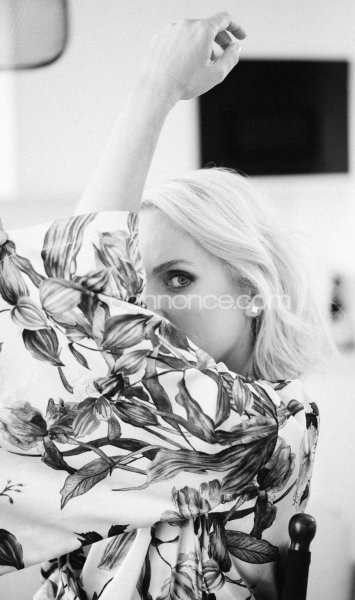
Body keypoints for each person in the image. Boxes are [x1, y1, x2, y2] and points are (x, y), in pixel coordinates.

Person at [0, 12, 329, 600]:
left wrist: (157, 88)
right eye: (137, 277)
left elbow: (71, 305)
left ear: (253, 292)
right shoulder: (136, 406)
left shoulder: (267, 423)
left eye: (177, 278)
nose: (144, 304)